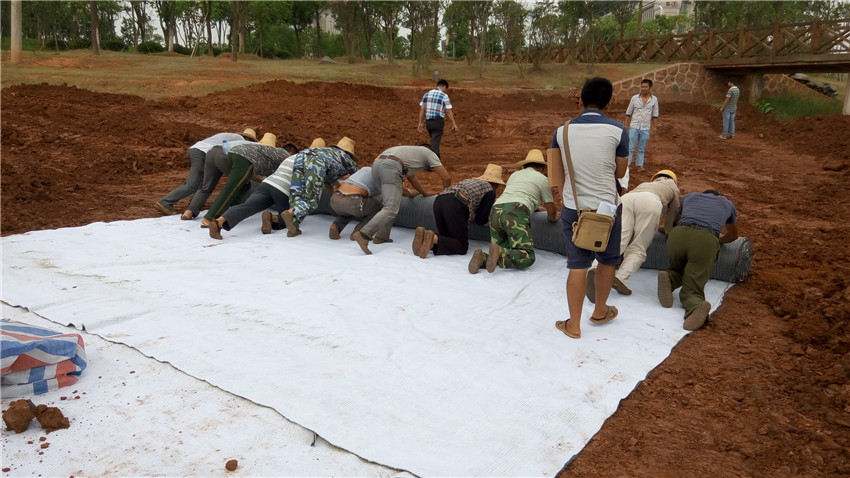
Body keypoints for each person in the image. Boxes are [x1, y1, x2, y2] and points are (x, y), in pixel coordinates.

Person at [550, 77, 629, 340]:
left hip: (575, 209)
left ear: (580, 100)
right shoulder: (619, 131)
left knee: (577, 266)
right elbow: (621, 171)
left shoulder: (561, 132)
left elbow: (555, 175)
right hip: (607, 209)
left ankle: (573, 324)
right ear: (609, 102)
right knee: (608, 261)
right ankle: (600, 311)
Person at [208, 138, 326, 240]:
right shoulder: (315, 162)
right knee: (289, 216)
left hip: (266, 184)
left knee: (247, 207)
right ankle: (272, 218)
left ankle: (218, 222)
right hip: (282, 190)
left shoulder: (293, 157)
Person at [588, 169, 680, 298]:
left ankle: (596, 267)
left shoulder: (645, 184)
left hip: (626, 199)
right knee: (638, 247)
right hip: (651, 202)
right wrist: (668, 230)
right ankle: (621, 277)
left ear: (656, 177)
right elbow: (674, 211)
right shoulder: (673, 187)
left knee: (619, 240)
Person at [657, 190, 738, 331]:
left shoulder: (690, 197)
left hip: (677, 236)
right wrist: (716, 242)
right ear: (719, 196)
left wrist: (668, 232)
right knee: (693, 281)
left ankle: (669, 278)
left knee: (679, 268)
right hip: (705, 239)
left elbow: (673, 215)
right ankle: (696, 305)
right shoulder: (727, 204)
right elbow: (732, 235)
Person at [467, 150, 558, 274]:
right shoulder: (542, 179)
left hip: (496, 210)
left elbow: (517, 194)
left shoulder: (514, 175)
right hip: (516, 211)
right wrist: (553, 217)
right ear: (542, 168)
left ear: (524, 165)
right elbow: (551, 209)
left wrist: (533, 206)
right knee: (526, 257)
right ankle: (499, 253)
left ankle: (483, 257)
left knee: (507, 247)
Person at [352, 145, 451, 255]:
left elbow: (411, 178)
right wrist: (445, 197)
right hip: (391, 167)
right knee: (391, 208)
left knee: (388, 204)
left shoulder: (410, 154)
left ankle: (381, 236)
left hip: (377, 164)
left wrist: (424, 193)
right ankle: (364, 235)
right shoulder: (430, 153)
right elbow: (446, 177)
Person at [155, 128, 257, 215]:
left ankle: (192, 205)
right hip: (203, 152)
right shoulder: (240, 139)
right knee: (193, 184)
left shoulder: (229, 135)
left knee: (202, 181)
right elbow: (228, 156)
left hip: (198, 150)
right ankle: (165, 202)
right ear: (249, 139)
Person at [414, 164, 504, 259]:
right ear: (496, 184)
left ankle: (426, 239)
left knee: (448, 237)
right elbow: (480, 219)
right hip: (455, 204)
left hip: (439, 201)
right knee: (462, 246)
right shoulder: (490, 190)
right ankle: (433, 238)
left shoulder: (471, 182)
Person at [201, 133, 291, 226]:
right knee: (232, 188)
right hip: (244, 159)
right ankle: (209, 218)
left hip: (233, 154)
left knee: (244, 186)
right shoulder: (285, 155)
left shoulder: (266, 151)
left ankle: (229, 212)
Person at [280, 137, 358, 237]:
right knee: (312, 200)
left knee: (297, 193)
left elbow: (328, 177)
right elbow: (356, 177)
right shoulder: (346, 158)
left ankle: (294, 226)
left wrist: (333, 183)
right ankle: (292, 213)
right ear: (350, 153)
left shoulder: (326, 151)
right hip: (316, 163)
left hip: (300, 157)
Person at [328, 165, 389, 242]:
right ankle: (359, 232)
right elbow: (387, 193)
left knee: (348, 210)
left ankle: (336, 226)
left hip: (335, 199)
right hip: (353, 201)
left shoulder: (364, 169)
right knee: (378, 207)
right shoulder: (380, 177)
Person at [622, 79, 659, 189]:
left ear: (650, 88)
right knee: (631, 146)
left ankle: (639, 165)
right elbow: (628, 113)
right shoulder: (634, 98)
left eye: (645, 87)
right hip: (634, 126)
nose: (643, 89)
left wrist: (655, 128)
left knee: (642, 148)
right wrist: (626, 125)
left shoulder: (654, 100)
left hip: (645, 128)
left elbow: (655, 115)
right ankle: (627, 165)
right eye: (642, 87)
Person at [417, 79, 458, 157]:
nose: (445, 91)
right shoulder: (444, 96)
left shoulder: (427, 94)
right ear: (444, 86)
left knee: (434, 141)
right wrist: (454, 124)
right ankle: (433, 162)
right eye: (446, 89)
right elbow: (448, 111)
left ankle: (436, 159)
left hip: (428, 123)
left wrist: (420, 123)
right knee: (435, 143)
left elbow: (422, 109)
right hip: (438, 122)